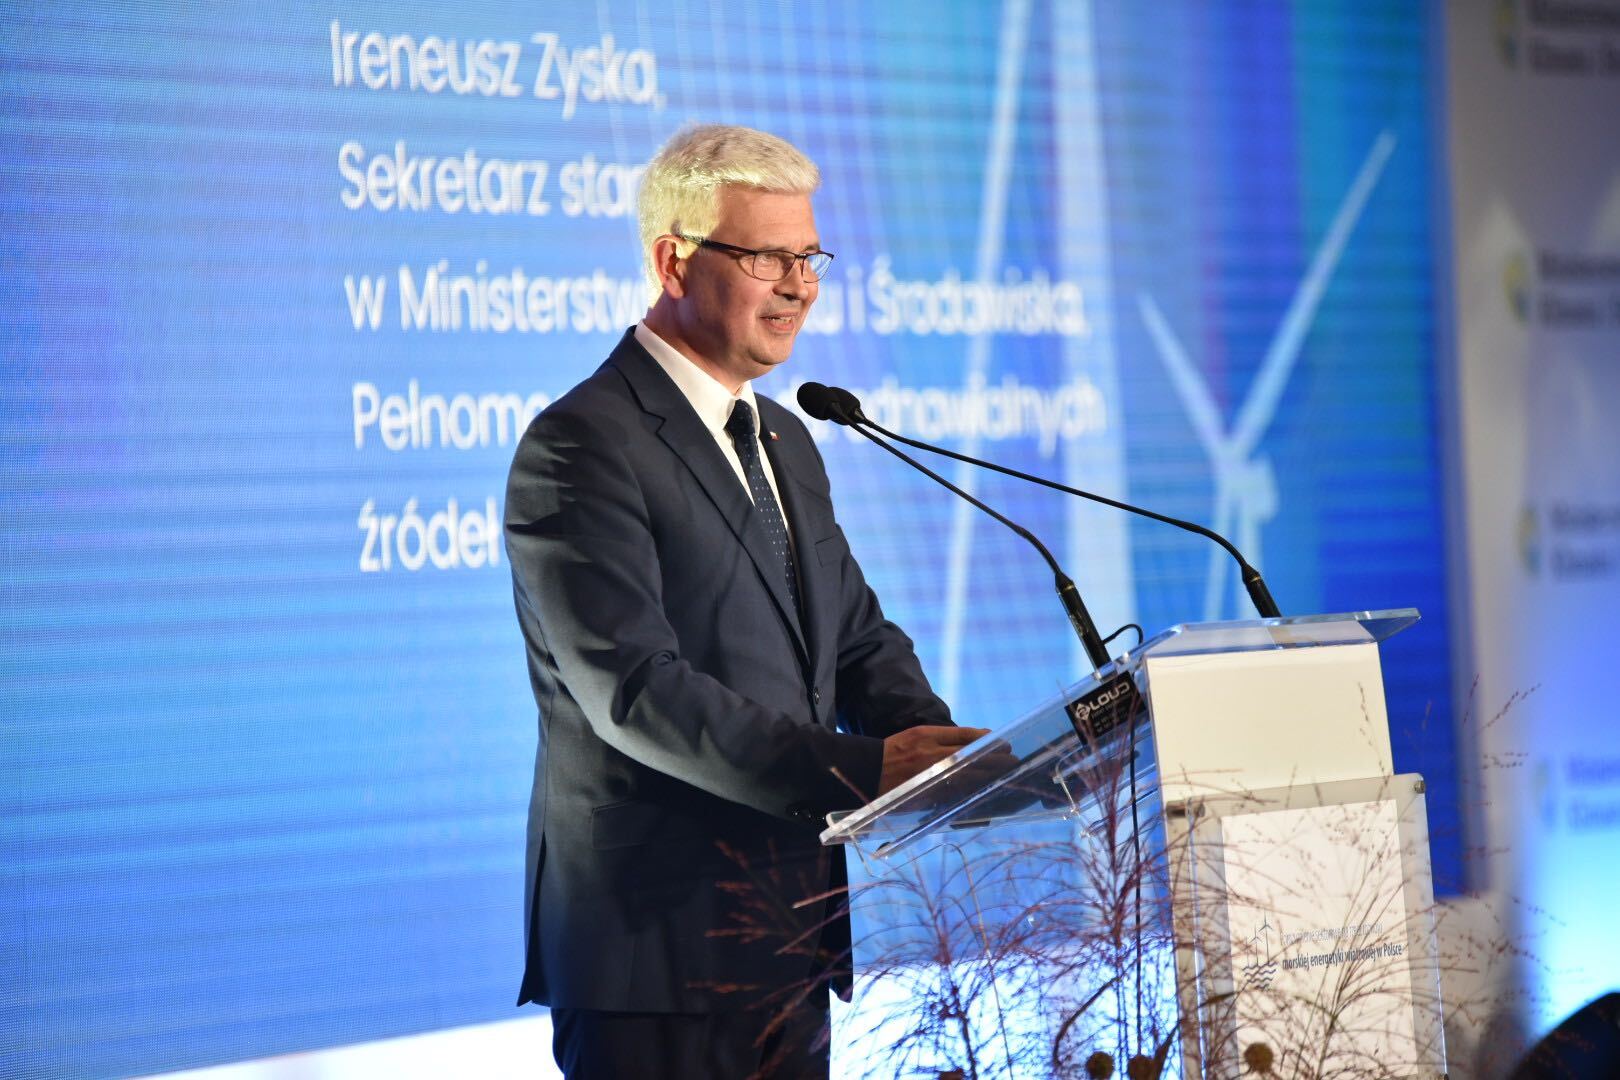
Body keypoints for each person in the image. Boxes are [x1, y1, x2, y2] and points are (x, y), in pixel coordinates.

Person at [504, 124, 984, 1079]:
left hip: (786, 938)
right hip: (656, 955)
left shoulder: (784, 438)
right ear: (672, 262)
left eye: (809, 257)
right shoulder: (582, 444)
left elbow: (853, 637)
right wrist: (865, 770)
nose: (800, 286)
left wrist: (945, 759)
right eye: (768, 257)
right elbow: (636, 692)